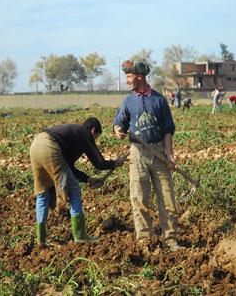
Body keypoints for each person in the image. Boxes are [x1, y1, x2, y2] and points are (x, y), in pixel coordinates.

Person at [113, 59, 183, 252]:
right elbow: (119, 123)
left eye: (129, 76)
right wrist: (118, 130)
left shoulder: (159, 100)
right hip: (137, 154)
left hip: (159, 153)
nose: (127, 80)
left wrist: (170, 155)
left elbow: (168, 130)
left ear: (140, 76)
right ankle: (144, 240)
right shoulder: (128, 102)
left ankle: (170, 240)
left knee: (168, 199)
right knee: (139, 198)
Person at [30, 117, 126, 247]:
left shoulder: (72, 134)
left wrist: (87, 179)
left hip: (36, 145)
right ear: (93, 131)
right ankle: (80, 236)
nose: (94, 141)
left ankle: (40, 239)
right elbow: (99, 163)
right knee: (74, 190)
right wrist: (115, 163)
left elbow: (68, 167)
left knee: (42, 193)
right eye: (96, 138)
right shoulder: (84, 133)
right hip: (50, 146)